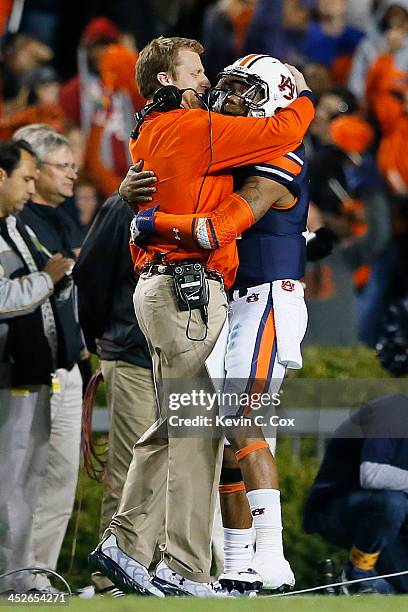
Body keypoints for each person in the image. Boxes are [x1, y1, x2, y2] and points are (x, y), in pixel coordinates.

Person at [89, 36, 315, 597]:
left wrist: (143, 216)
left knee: (193, 424)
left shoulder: (163, 129)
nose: (215, 83)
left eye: (236, 84)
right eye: (202, 71)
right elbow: (283, 133)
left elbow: (207, 207)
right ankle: (184, 565)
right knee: (197, 427)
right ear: (168, 81)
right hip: (188, 287)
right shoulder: (200, 131)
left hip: (226, 293)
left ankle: (148, 548)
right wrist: (303, 95)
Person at [73, 182, 158, 594]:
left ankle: (154, 572)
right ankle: (112, 579)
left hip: (181, 360)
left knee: (173, 473)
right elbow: (88, 272)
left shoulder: (204, 194)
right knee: (130, 472)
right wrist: (101, 338)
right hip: (132, 353)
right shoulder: (124, 202)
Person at [11, 125, 84, 592]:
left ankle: (37, 577)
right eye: (63, 166)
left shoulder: (61, 218)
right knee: (23, 475)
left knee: (59, 478)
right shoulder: (18, 224)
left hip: (66, 364)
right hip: (27, 367)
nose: (74, 174)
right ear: (32, 172)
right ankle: (16, 576)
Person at [303, 394, 408, 594]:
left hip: (386, 520)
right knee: (392, 503)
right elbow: (371, 474)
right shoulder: (394, 411)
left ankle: (348, 589)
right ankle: (358, 575)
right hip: (335, 508)